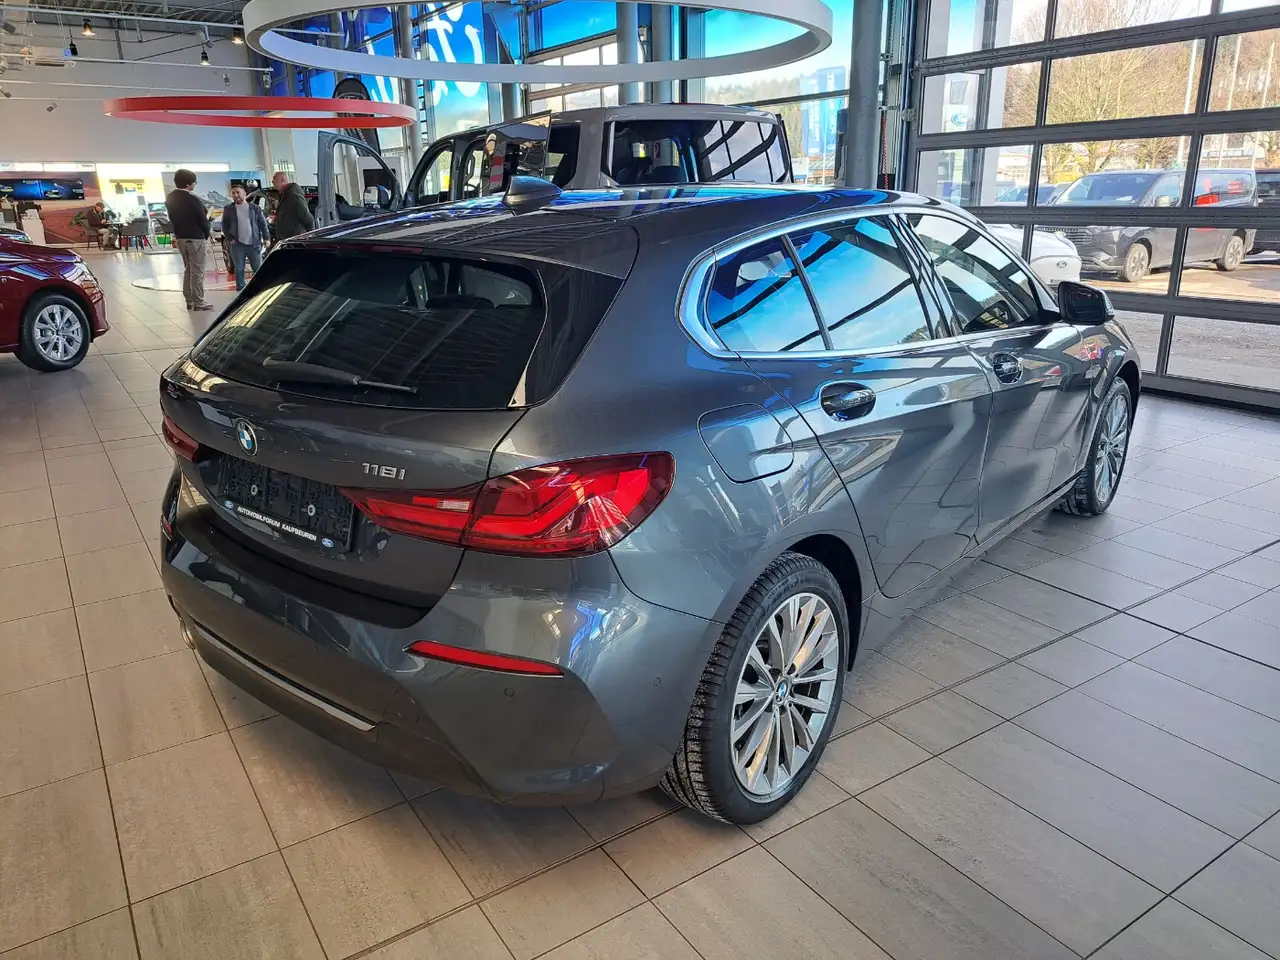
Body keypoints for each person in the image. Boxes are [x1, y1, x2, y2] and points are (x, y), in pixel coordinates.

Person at [165, 169, 213, 311]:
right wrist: (207, 231)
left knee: (189, 269)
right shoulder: (192, 199)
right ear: (188, 184)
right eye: (194, 182)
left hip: (181, 238)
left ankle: (189, 300)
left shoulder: (170, 198)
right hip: (195, 238)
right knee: (198, 271)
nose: (195, 185)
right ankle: (199, 302)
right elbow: (203, 220)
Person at [222, 185, 269, 291]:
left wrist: (267, 238)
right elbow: (225, 226)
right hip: (237, 244)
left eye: (238, 192)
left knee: (258, 268)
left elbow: (263, 224)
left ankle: (260, 289)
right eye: (233, 193)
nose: (236, 195)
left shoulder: (255, 208)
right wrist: (230, 239)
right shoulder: (228, 209)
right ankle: (240, 290)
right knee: (239, 269)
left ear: (244, 193)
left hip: (254, 244)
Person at [271, 171, 314, 240]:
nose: (272, 181)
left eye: (274, 178)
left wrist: (311, 238)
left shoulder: (293, 197)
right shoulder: (284, 196)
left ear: (283, 180)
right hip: (288, 241)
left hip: (296, 241)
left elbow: (308, 220)